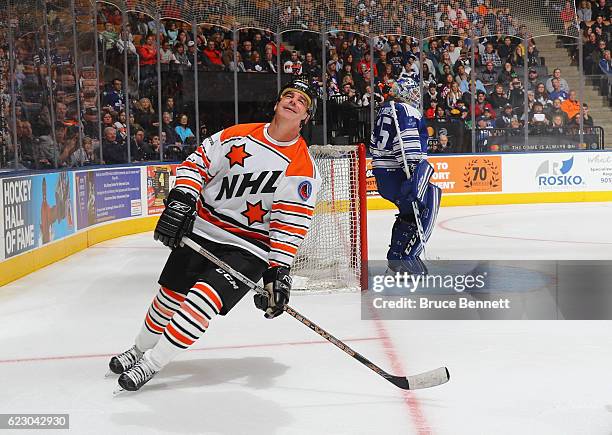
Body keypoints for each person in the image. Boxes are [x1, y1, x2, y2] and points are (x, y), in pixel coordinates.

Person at [109, 78, 322, 393]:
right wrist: (183, 198)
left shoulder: (302, 168)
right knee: (169, 296)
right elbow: (197, 164)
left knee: (202, 300)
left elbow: (289, 223)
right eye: (287, 96)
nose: (292, 101)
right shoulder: (238, 136)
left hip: (250, 248)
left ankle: (151, 365)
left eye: (301, 101)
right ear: (277, 104)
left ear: (306, 117)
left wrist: (278, 269)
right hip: (203, 232)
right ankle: (138, 350)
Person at [369, 73, 441, 275]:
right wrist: (414, 178)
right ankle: (403, 259)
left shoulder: (388, 109)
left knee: (408, 214)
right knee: (424, 206)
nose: (417, 96)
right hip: (399, 172)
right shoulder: (407, 110)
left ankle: (398, 259)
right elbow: (408, 147)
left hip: (384, 173)